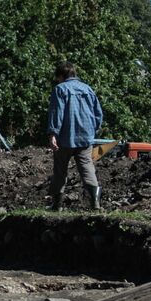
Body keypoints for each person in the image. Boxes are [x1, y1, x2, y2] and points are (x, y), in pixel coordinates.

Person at [46, 62, 104, 211]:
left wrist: (53, 133)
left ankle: (57, 204)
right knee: (87, 167)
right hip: (85, 137)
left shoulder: (60, 89)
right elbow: (98, 114)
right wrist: (92, 130)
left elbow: (56, 113)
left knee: (60, 170)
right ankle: (95, 202)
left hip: (64, 138)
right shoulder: (87, 89)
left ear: (60, 76)